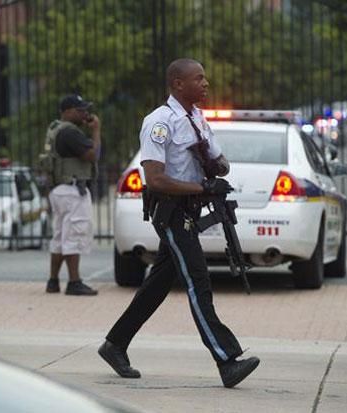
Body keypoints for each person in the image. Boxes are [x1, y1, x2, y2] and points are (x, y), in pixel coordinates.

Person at [98, 58, 259, 389]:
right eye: (198, 78)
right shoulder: (159, 123)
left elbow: (220, 163)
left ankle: (115, 344)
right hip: (170, 212)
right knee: (198, 280)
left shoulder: (198, 118)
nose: (206, 84)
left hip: (189, 210)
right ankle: (227, 360)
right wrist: (202, 186)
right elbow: (155, 179)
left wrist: (215, 167)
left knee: (156, 285)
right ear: (177, 84)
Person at [43, 94, 100, 296]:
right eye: (80, 110)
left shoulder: (56, 129)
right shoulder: (70, 133)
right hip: (72, 189)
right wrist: (96, 131)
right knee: (74, 234)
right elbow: (92, 155)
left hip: (59, 189)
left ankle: (53, 281)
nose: (85, 113)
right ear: (67, 111)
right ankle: (74, 282)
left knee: (59, 235)